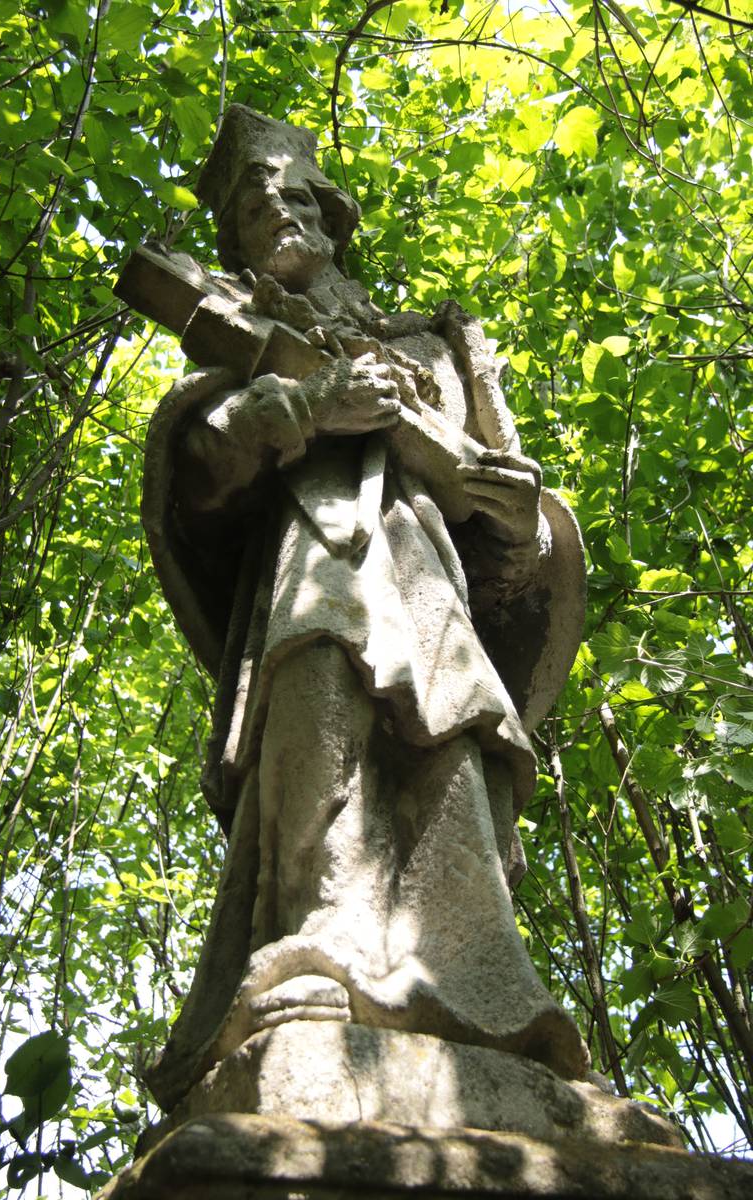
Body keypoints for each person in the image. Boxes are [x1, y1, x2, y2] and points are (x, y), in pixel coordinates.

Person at [141, 105, 589, 1113]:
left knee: (449, 747)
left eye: (290, 198)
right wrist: (307, 408)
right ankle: (308, 962)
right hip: (312, 554)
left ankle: (483, 996)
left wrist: (514, 513)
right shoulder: (250, 333)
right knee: (313, 702)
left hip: (427, 577)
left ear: (332, 217)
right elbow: (202, 461)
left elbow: (509, 513)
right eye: (251, 213)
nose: (274, 215)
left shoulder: (432, 339)